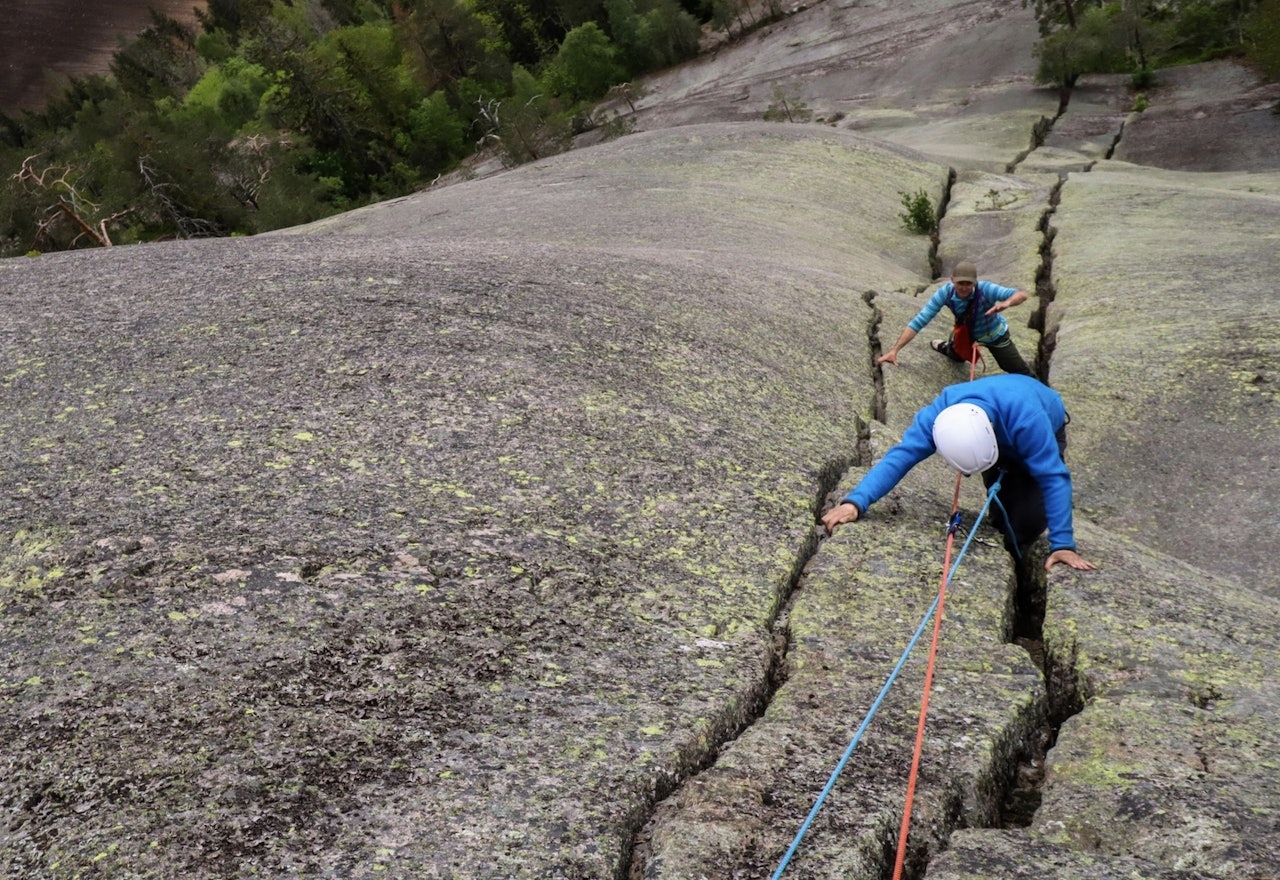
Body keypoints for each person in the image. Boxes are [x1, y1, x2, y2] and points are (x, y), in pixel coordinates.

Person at [820, 374, 1096, 572]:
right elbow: (901, 456)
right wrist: (856, 501)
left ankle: (1020, 552)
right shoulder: (939, 417)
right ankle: (1006, 534)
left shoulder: (1028, 421)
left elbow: (1053, 477)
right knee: (1002, 512)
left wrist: (1063, 543)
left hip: (1042, 413)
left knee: (1028, 520)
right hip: (1001, 419)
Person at [877, 261, 1033, 375]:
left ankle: (1041, 394)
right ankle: (946, 347)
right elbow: (920, 320)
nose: (964, 287)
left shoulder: (986, 289)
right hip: (967, 334)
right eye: (960, 283)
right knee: (956, 355)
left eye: (968, 284)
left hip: (995, 334)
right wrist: (895, 351)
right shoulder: (945, 293)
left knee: (1017, 369)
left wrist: (1007, 303)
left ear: (975, 282)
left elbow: (1021, 295)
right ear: (952, 280)